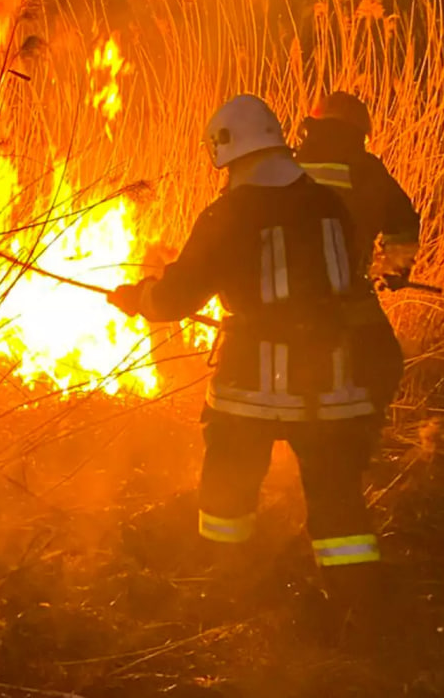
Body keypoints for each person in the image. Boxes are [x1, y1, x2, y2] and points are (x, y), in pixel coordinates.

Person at [107, 94, 386, 631]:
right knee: (338, 504)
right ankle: (361, 613)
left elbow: (174, 301)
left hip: (252, 385)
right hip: (331, 380)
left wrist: (137, 297)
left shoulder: (227, 213)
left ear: (226, 154)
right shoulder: (328, 203)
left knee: (228, 496)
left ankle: (227, 595)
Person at [294, 91, 420, 414]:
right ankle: (361, 429)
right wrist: (393, 270)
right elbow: (403, 222)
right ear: (360, 133)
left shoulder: (286, 167)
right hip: (347, 299)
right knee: (385, 364)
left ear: (311, 127)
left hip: (281, 301)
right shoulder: (368, 171)